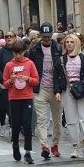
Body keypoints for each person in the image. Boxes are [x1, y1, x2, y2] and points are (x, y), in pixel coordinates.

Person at [28, 23, 67, 159]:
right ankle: (44, 146)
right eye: (44, 37)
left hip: (55, 89)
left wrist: (60, 88)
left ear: (51, 36)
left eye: (48, 37)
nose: (46, 39)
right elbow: (30, 67)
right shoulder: (34, 50)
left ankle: (55, 145)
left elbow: (62, 70)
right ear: (41, 36)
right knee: (42, 119)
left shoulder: (57, 48)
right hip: (40, 89)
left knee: (57, 120)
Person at [4, 39, 40, 164]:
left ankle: (28, 152)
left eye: (20, 53)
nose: (18, 56)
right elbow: (5, 83)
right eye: (15, 54)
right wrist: (12, 80)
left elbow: (36, 80)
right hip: (14, 98)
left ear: (24, 52)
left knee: (27, 125)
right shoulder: (9, 65)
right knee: (16, 125)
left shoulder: (29, 64)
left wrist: (27, 78)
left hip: (27, 97)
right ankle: (15, 144)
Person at [61, 34, 84, 159]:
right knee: (70, 119)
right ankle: (74, 146)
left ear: (77, 44)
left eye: (72, 42)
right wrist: (57, 91)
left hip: (82, 89)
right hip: (68, 90)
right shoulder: (62, 59)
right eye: (67, 42)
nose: (69, 44)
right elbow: (58, 76)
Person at [0, 31, 16, 137]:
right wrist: (3, 78)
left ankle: (13, 127)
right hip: (4, 83)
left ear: (15, 38)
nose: (9, 38)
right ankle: (2, 124)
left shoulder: (18, 50)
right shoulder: (1, 52)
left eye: (11, 36)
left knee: (13, 107)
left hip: (17, 84)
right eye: (7, 37)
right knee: (3, 107)